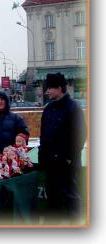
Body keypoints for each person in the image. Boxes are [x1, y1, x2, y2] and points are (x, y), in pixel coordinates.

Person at [39, 73, 87, 223]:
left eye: (50, 88)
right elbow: (44, 136)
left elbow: (80, 135)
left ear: (59, 88)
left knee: (71, 198)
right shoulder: (48, 109)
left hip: (67, 164)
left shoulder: (73, 108)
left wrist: (68, 158)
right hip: (50, 163)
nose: (47, 91)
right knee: (53, 199)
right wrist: (43, 157)